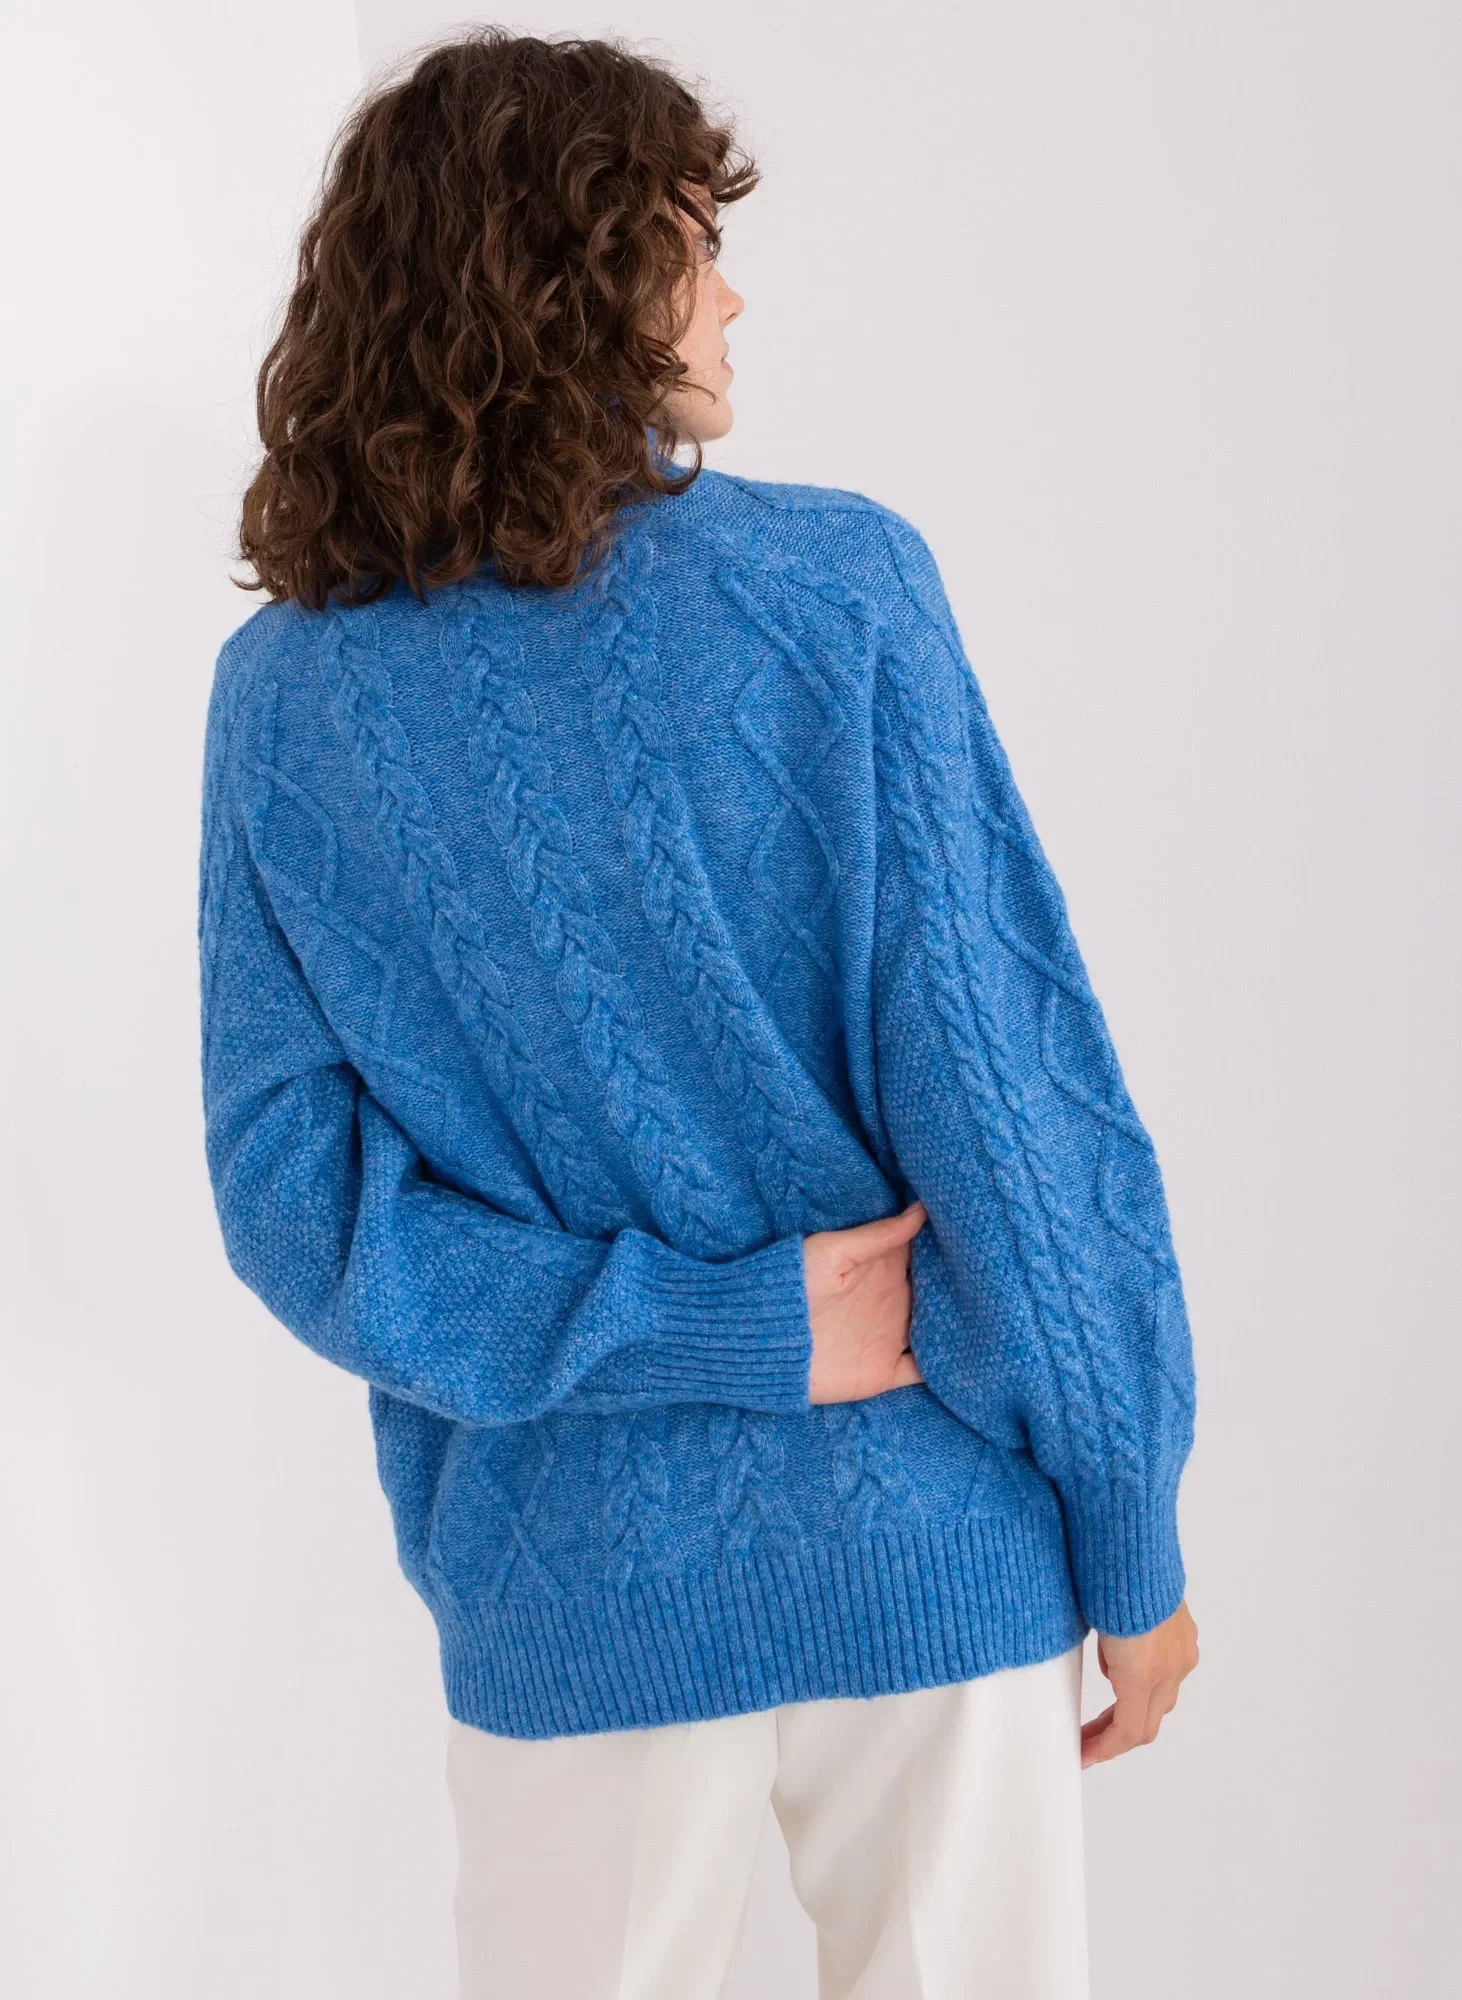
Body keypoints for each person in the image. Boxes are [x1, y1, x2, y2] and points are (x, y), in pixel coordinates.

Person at [199, 26, 1199, 1999]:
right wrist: (1130, 1525)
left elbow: (295, 1204)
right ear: (573, 280)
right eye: (690, 245)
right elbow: (1009, 1101)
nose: (730, 298)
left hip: (570, 1566)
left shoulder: (289, 697)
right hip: (923, 1521)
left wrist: (660, 1329)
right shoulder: (840, 594)